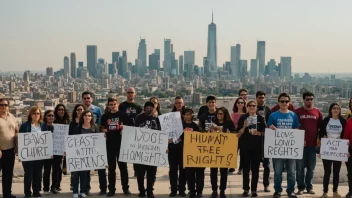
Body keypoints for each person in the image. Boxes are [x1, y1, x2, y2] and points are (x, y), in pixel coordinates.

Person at [267, 93, 300, 198]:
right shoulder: (273, 115)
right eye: (282, 101)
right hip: (278, 148)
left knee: (291, 171)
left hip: (290, 148)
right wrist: (271, 128)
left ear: (289, 103)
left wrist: (296, 132)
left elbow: (297, 129)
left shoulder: (293, 115)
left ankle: (291, 190)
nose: (284, 103)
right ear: (278, 103)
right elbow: (268, 129)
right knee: (277, 171)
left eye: (286, 101)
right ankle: (277, 190)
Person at [294, 91, 323, 195]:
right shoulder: (297, 112)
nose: (309, 101)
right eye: (307, 99)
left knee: (311, 168)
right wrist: (299, 139)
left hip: (312, 146)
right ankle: (301, 187)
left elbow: (321, 129)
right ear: (303, 100)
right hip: (300, 145)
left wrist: (319, 141)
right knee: (300, 168)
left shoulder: (318, 112)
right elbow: (294, 128)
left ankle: (309, 187)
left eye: (311, 99)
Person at [101, 97, 131, 197]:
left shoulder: (123, 115)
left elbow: (132, 127)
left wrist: (124, 128)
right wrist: (104, 131)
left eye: (114, 104)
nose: (113, 106)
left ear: (117, 104)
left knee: (123, 168)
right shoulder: (105, 116)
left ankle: (125, 188)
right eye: (111, 104)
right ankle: (112, 190)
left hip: (121, 145)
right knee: (111, 169)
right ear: (108, 106)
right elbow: (101, 127)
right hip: (109, 146)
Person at [237, 100, 266, 197]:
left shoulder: (260, 118)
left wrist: (259, 133)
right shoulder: (243, 117)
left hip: (256, 148)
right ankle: (246, 189)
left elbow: (265, 132)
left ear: (256, 107)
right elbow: (238, 134)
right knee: (245, 169)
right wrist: (244, 126)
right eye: (250, 105)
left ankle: (254, 190)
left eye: (254, 105)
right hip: (245, 147)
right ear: (247, 107)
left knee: (255, 170)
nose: (252, 107)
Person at [134, 101, 161, 198]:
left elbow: (161, 133)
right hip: (140, 150)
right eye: (147, 107)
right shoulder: (139, 117)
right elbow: (134, 132)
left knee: (152, 173)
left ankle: (150, 190)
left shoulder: (157, 119)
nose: (148, 108)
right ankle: (141, 191)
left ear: (154, 109)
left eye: (150, 107)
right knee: (140, 173)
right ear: (144, 107)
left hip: (153, 151)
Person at [81, 91, 107, 195]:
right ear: (82, 99)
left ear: (92, 99)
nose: (87, 100)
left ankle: (103, 189)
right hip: (84, 142)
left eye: (88, 98)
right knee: (86, 168)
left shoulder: (97, 110)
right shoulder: (80, 109)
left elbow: (100, 124)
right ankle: (86, 189)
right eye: (85, 98)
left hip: (96, 140)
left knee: (100, 167)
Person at [70, 110, 99, 198]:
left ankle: (82, 191)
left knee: (84, 174)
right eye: (86, 115)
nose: (88, 117)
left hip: (88, 155)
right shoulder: (78, 128)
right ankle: (75, 192)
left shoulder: (95, 128)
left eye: (89, 115)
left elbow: (97, 141)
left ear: (92, 117)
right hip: (77, 154)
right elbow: (73, 140)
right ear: (83, 117)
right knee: (75, 175)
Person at [319, 103, 346, 198]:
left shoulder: (343, 121)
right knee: (327, 171)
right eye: (334, 108)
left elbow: (345, 135)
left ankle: (335, 191)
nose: (336, 110)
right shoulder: (326, 120)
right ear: (331, 110)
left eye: (338, 108)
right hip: (327, 149)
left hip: (338, 150)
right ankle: (325, 192)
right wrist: (323, 137)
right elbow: (321, 133)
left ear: (340, 110)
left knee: (336, 172)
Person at [19, 107, 47, 198]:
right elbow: (21, 140)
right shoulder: (25, 126)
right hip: (28, 155)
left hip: (39, 155)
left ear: (40, 115)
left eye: (38, 113)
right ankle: (27, 193)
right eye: (34, 113)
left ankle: (36, 192)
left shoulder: (43, 126)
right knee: (28, 174)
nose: (36, 115)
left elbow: (46, 140)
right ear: (30, 115)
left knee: (38, 174)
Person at [210, 107, 236, 198]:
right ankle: (214, 190)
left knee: (223, 172)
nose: (219, 115)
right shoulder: (212, 123)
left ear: (225, 115)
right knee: (213, 171)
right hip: (214, 151)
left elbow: (234, 133)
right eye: (218, 114)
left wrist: (229, 133)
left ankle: (222, 190)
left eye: (221, 114)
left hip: (225, 151)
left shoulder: (229, 123)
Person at [118, 87, 143, 177]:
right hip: (124, 132)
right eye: (128, 92)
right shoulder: (122, 106)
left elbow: (141, 120)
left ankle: (137, 170)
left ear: (135, 94)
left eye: (132, 92)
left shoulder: (139, 107)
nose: (130, 94)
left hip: (135, 132)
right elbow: (119, 118)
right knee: (125, 152)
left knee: (136, 152)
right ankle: (124, 172)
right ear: (126, 94)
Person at [182, 108, 203, 198]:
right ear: (184, 115)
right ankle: (191, 191)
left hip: (196, 152)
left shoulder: (195, 126)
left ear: (192, 115)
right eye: (186, 114)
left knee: (199, 174)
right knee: (189, 174)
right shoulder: (180, 125)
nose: (188, 116)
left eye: (189, 114)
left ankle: (199, 191)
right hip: (186, 152)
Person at [168, 96, 186, 197]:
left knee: (183, 170)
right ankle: (173, 189)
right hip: (172, 148)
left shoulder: (187, 115)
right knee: (173, 170)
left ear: (183, 104)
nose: (179, 105)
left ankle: (182, 190)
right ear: (174, 105)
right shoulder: (170, 116)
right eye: (177, 103)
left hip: (184, 148)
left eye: (180, 103)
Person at [0, 98, 18, 198]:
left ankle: (7, 194)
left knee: (8, 174)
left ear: (8, 106)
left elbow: (16, 131)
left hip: (10, 150)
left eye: (5, 105)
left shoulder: (12, 116)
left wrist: (17, 146)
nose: (3, 107)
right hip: (0, 150)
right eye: (1, 105)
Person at [51, 104, 70, 193]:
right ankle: (54, 185)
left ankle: (58, 184)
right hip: (55, 148)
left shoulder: (68, 121)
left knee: (62, 167)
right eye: (59, 109)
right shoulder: (53, 120)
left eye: (62, 109)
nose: (60, 111)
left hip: (65, 148)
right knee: (56, 167)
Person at [255, 91, 271, 192]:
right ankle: (254, 186)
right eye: (260, 97)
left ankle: (266, 184)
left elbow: (270, 123)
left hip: (266, 139)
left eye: (263, 98)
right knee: (255, 166)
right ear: (256, 98)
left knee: (267, 165)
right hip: (255, 140)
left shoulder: (268, 109)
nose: (261, 99)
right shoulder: (252, 108)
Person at [68, 104, 86, 191]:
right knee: (74, 170)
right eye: (78, 110)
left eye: (81, 110)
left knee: (85, 171)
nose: (80, 111)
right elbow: (69, 135)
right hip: (74, 149)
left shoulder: (87, 122)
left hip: (85, 149)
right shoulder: (72, 123)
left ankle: (85, 188)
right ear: (75, 111)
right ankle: (74, 186)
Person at [231, 97, 247, 174]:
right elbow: (232, 125)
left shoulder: (247, 115)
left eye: (242, 103)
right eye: (238, 103)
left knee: (243, 153)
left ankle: (241, 167)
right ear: (236, 104)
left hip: (244, 135)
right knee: (234, 151)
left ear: (244, 104)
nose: (240, 104)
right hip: (235, 135)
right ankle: (232, 166)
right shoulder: (233, 115)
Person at [42, 110, 55, 195]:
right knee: (47, 170)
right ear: (45, 117)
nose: (51, 117)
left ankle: (54, 187)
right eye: (49, 115)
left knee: (56, 170)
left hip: (56, 152)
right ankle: (46, 188)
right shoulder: (42, 127)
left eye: (52, 116)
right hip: (46, 152)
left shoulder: (57, 127)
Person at [343, 109, 352, 198]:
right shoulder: (349, 122)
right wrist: (347, 150)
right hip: (351, 149)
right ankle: (351, 191)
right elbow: (346, 137)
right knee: (350, 173)